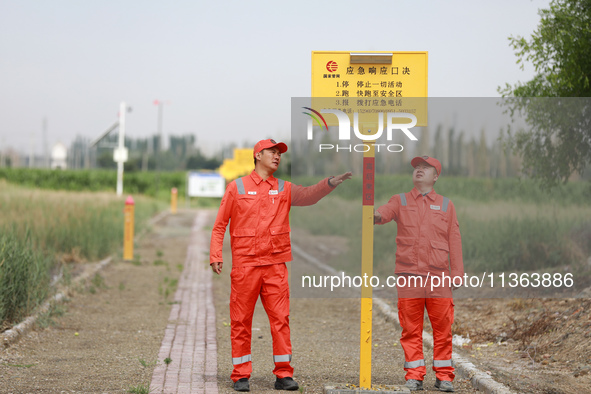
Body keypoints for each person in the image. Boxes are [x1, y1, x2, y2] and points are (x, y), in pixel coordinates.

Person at [210, 139, 352, 392]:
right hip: (245, 266)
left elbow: (309, 195)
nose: (277, 157)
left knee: (280, 320)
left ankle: (283, 374)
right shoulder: (237, 187)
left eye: (279, 154)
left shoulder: (284, 188)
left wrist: (329, 183)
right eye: (272, 152)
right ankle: (240, 375)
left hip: (275, 265)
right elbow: (221, 224)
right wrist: (216, 254)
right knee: (240, 321)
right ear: (257, 156)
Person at [374, 156, 464, 392]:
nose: (419, 170)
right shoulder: (400, 201)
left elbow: (454, 238)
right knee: (410, 329)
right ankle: (414, 375)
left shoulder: (446, 205)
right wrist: (372, 215)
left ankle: (444, 376)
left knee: (442, 329)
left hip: (439, 277)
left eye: (426, 168)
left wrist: (458, 272)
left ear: (436, 176)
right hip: (409, 276)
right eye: (416, 168)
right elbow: (384, 213)